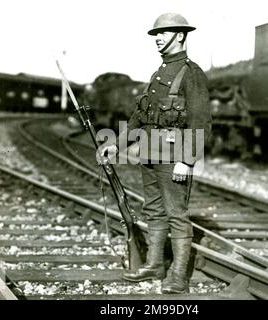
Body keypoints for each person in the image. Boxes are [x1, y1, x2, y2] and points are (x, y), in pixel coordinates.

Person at [97, 12, 211, 294]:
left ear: (181, 35)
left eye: (163, 33)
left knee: (176, 214)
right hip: (149, 153)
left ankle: (178, 275)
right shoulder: (158, 72)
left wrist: (187, 160)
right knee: (154, 211)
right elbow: (139, 116)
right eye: (156, 34)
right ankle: (154, 264)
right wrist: (117, 145)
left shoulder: (191, 72)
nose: (157, 38)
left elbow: (200, 121)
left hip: (173, 157)